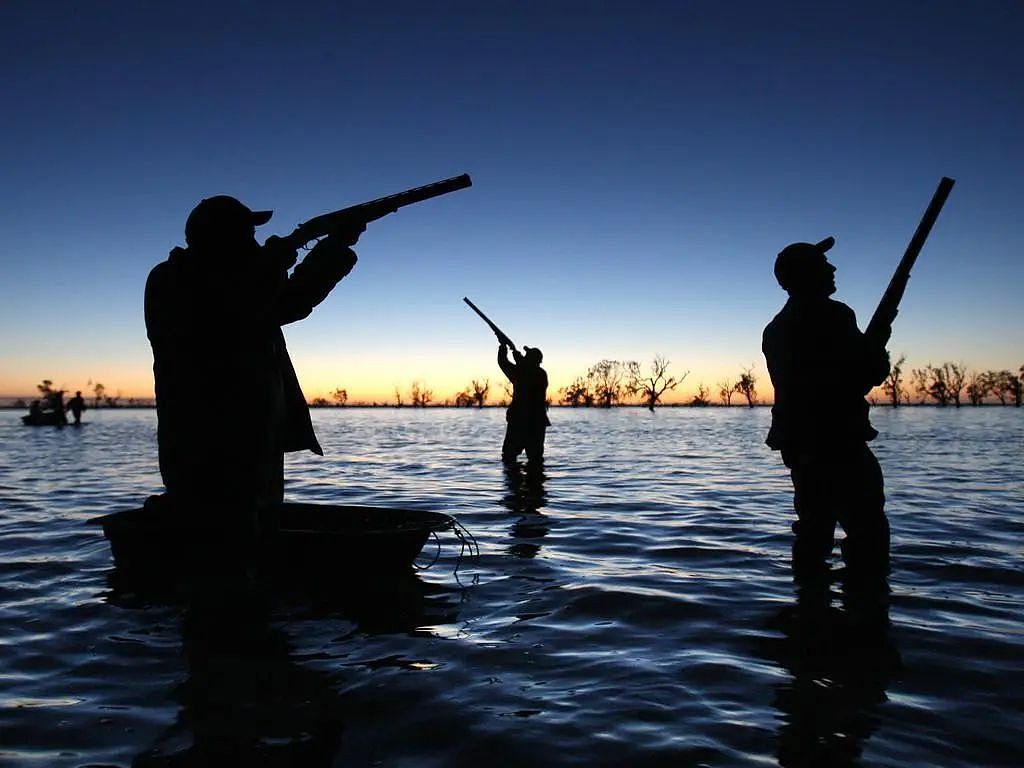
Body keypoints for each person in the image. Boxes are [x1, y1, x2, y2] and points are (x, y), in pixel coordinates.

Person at [144, 194, 362, 537]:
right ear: (223, 237)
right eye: (247, 234)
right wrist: (271, 264)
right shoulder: (172, 279)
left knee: (257, 523)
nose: (255, 241)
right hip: (206, 438)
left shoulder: (246, 280)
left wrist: (333, 248)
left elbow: (289, 304)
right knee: (217, 531)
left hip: (258, 434)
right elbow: (227, 315)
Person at [762, 237, 891, 584]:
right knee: (868, 535)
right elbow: (865, 376)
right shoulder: (834, 314)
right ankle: (867, 619)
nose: (833, 269)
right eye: (823, 265)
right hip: (839, 445)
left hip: (802, 449)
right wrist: (877, 346)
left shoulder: (775, 328)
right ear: (807, 275)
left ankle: (808, 617)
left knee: (813, 533)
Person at [497, 343, 550, 464]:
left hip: (519, 421)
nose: (524, 357)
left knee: (510, 457)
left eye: (527, 356)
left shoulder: (524, 372)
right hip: (537, 422)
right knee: (535, 460)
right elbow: (507, 363)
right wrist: (506, 350)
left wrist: (504, 349)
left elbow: (503, 363)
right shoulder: (541, 374)